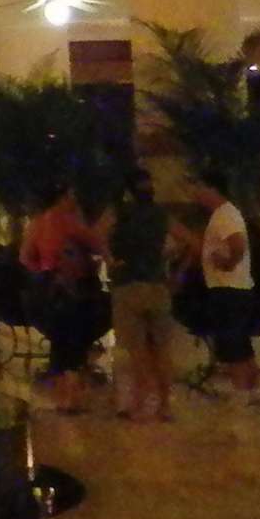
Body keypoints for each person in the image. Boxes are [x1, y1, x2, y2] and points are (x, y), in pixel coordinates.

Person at [104, 173, 186, 422]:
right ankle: (165, 405)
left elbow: (94, 235)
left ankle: (139, 403)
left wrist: (110, 259)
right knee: (162, 349)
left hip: (128, 286)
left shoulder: (118, 213)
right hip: (158, 286)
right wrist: (175, 269)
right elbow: (191, 242)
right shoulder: (162, 215)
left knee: (136, 350)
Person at [19, 191, 107, 412]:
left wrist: (43, 271)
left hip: (48, 290)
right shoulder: (74, 223)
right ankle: (73, 395)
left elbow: (25, 258)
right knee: (75, 338)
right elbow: (101, 247)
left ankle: (65, 397)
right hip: (77, 289)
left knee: (60, 340)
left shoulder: (37, 224)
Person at [200, 182, 260, 392]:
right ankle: (251, 392)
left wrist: (228, 263)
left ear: (212, 188)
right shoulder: (223, 214)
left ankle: (241, 393)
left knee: (233, 346)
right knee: (241, 345)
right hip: (233, 289)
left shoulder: (225, 215)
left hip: (229, 289)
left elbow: (238, 244)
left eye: (199, 188)